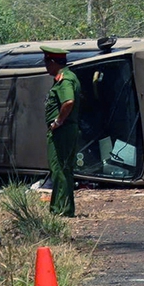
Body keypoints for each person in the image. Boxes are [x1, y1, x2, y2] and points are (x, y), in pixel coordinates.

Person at [43, 46, 81, 217]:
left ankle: (62, 210)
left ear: (53, 62)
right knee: (61, 169)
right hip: (64, 130)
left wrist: (58, 121)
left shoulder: (65, 79)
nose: (45, 66)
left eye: (46, 62)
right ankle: (60, 208)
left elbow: (68, 101)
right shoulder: (66, 77)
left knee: (60, 169)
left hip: (62, 131)